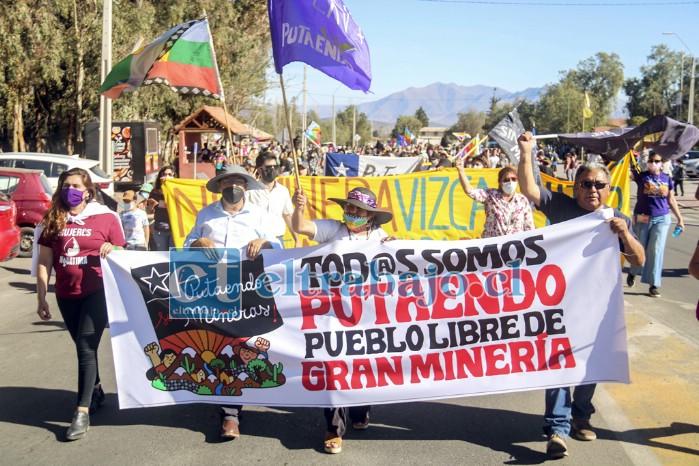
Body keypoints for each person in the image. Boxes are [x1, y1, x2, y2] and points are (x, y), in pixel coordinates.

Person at [516, 131, 645, 458]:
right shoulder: (560, 206)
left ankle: (581, 416)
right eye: (586, 184)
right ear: (575, 188)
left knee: (590, 365)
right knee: (559, 363)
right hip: (559, 306)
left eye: (599, 184)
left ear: (608, 188)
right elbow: (529, 188)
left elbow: (639, 261)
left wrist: (625, 236)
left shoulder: (615, 218)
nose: (592, 190)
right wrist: (526, 152)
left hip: (598, 310)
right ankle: (557, 429)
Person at [292, 187, 395, 454]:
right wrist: (299, 207)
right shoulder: (333, 230)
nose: (351, 212)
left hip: (367, 314)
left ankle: (361, 410)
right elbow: (301, 226)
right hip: (332, 312)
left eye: (357, 209)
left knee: (363, 364)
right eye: (348, 207)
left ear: (370, 215)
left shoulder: (381, 236)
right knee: (334, 367)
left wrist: (395, 247)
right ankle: (333, 429)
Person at [183, 164, 281, 440]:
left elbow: (281, 246)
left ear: (247, 187)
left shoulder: (261, 216)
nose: (234, 187)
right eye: (228, 182)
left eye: (239, 182)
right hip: (214, 286)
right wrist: (198, 241)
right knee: (222, 347)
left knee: (247, 345)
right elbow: (188, 244)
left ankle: (258, 392)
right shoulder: (206, 214)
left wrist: (264, 242)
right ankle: (230, 414)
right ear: (220, 186)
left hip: (251, 287)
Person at [35, 167, 126, 441]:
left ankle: (81, 411)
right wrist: (41, 295)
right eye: (65, 185)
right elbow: (43, 261)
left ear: (88, 190)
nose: (69, 190)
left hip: (97, 291)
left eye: (75, 185)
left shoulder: (106, 217)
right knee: (82, 345)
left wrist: (114, 249)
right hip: (65, 294)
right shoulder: (54, 219)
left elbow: (123, 250)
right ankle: (95, 390)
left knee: (86, 346)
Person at [627, 153, 684, 297]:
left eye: (656, 161)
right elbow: (625, 173)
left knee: (656, 251)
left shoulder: (667, 178)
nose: (653, 163)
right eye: (651, 161)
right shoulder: (641, 176)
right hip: (642, 218)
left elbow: (671, 199)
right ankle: (633, 271)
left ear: (662, 162)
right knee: (639, 248)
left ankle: (653, 284)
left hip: (662, 218)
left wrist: (680, 219)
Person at [455, 158, 534, 238]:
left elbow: (529, 227)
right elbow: (469, 190)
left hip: (515, 246)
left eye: (513, 179)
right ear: (500, 182)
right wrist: (461, 170)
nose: (510, 182)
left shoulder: (522, 200)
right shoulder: (490, 195)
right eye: (506, 180)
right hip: (492, 245)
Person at [245, 152, 299, 247]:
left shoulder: (283, 191)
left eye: (275, 166)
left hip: (278, 240)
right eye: (269, 167)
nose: (273, 169)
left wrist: (297, 240)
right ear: (259, 170)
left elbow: (288, 216)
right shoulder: (249, 191)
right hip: (256, 241)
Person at [150, 166, 177, 251]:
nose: (167, 177)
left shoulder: (178, 191)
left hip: (175, 230)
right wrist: (151, 206)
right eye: (164, 174)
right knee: (162, 256)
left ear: (174, 176)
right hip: (160, 230)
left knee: (174, 256)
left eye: (170, 174)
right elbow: (149, 210)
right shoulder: (155, 192)